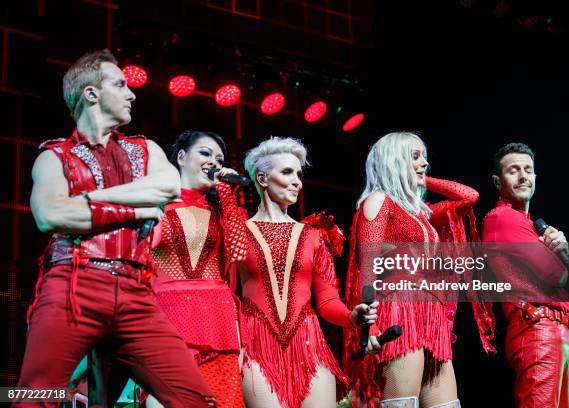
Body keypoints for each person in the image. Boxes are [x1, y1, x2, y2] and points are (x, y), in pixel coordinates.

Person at [16, 49, 215, 407]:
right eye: (120, 85)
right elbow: (49, 215)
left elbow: (167, 188)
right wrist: (138, 211)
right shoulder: (54, 156)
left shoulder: (146, 149)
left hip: (137, 294)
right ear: (92, 93)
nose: (132, 93)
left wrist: (88, 199)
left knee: (196, 400)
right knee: (34, 396)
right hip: (74, 285)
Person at [343, 132, 493, 408]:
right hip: (401, 309)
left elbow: (469, 197)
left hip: (432, 316)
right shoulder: (378, 200)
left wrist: (422, 179)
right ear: (393, 161)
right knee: (402, 404)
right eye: (415, 156)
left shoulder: (422, 214)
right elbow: (368, 266)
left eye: (424, 157)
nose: (424, 162)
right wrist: (371, 326)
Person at [239, 136, 379, 408]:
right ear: (263, 178)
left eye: (299, 174)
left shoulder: (314, 235)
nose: (297, 181)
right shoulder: (238, 232)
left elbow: (327, 302)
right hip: (256, 344)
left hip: (308, 343)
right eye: (287, 172)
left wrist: (351, 316)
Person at [144, 130, 247, 407]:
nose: (213, 161)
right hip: (168, 317)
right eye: (205, 153)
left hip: (218, 321)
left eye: (219, 158)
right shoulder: (155, 205)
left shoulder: (223, 211)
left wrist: (227, 195)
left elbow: (240, 253)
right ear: (180, 156)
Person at [482, 142, 569, 408]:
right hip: (536, 330)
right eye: (513, 170)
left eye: (528, 170)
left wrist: (563, 251)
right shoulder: (502, 218)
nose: (523, 176)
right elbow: (557, 276)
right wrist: (563, 257)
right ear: (497, 181)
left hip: (558, 332)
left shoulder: (533, 227)